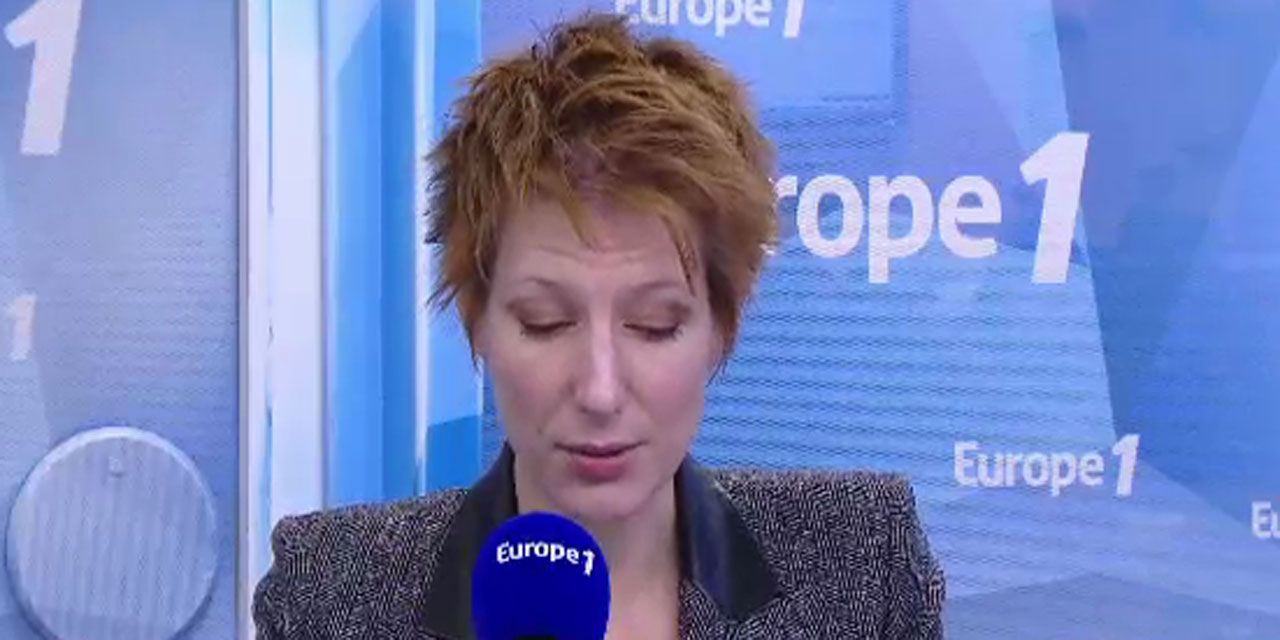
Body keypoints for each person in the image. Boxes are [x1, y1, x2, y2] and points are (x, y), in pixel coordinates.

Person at [253, 13, 944, 639]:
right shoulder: (331, 594)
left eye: (654, 325)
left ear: (720, 327)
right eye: (546, 322)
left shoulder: (863, 566)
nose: (600, 390)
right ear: (479, 322)